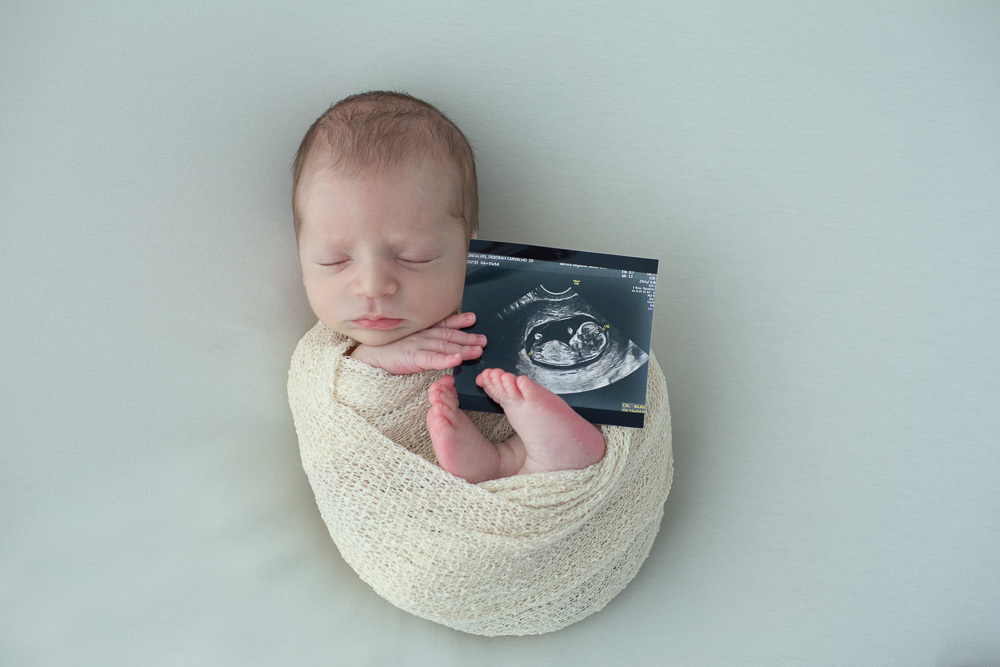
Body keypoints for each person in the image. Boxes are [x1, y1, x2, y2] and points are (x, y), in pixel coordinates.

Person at [292, 91, 605, 483]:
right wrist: (376, 361)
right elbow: (327, 408)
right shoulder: (321, 359)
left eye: (415, 257)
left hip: (536, 481)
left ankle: (555, 454)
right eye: (333, 261)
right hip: (419, 509)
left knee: (558, 406)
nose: (373, 286)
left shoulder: (501, 303)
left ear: (467, 249)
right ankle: (502, 462)